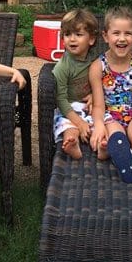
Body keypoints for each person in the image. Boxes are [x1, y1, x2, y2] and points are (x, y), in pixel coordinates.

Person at [89, 6, 132, 183]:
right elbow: (99, 105)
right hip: (111, 116)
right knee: (116, 136)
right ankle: (123, 158)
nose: (122, 38)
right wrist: (99, 124)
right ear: (105, 36)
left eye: (128, 33)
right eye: (116, 33)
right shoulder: (98, 67)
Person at [52, 9, 99, 159]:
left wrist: (94, 95)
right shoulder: (63, 67)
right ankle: (72, 143)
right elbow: (61, 100)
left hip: (90, 106)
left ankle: (102, 145)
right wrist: (79, 123)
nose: (72, 39)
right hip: (69, 108)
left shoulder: (95, 61)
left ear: (91, 39)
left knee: (103, 122)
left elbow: (104, 81)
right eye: (67, 34)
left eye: (78, 35)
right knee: (67, 126)